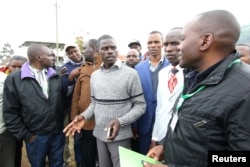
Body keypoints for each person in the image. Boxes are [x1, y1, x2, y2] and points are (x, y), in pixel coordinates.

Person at [145, 10, 250, 167]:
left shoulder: (244, 90)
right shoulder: (193, 76)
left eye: (182, 39)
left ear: (205, 41)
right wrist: (165, 145)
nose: (176, 48)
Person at [64, 34, 146, 167]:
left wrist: (121, 121)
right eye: (105, 48)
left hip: (121, 136)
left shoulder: (130, 74)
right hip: (99, 135)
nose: (110, 51)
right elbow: (94, 103)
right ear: (98, 51)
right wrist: (84, 116)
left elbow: (140, 105)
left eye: (113, 47)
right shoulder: (95, 76)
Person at [3, 44, 66, 167]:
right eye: (49, 55)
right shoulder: (14, 79)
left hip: (57, 133)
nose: (53, 58)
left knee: (58, 164)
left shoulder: (55, 75)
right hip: (36, 136)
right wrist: (27, 135)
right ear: (39, 57)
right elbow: (10, 112)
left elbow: (61, 101)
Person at [134, 30, 169, 155]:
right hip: (144, 123)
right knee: (144, 157)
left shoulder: (172, 67)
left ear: (163, 44)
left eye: (156, 42)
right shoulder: (138, 68)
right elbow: (134, 98)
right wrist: (134, 126)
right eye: (150, 42)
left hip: (165, 126)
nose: (153, 45)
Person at [71, 39, 102, 167]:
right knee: (87, 157)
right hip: (86, 123)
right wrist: (74, 118)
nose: (83, 51)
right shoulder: (82, 69)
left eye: (85, 48)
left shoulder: (107, 66)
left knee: (103, 158)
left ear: (94, 48)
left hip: (103, 123)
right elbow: (76, 96)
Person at [151, 27, 184, 148]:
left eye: (174, 43)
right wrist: (155, 137)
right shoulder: (163, 73)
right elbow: (160, 109)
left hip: (182, 140)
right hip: (161, 137)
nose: (168, 49)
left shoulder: (194, 74)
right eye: (166, 44)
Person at [0, 55, 27, 167]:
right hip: (5, 126)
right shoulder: (3, 79)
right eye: (14, 66)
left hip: (17, 126)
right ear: (8, 67)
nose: (16, 69)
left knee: (13, 155)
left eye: (20, 67)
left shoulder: (30, 80)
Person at [61, 44, 84, 166]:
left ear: (79, 50)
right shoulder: (65, 68)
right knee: (75, 136)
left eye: (75, 51)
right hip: (71, 107)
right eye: (70, 53)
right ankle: (74, 161)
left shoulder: (90, 62)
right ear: (67, 55)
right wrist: (70, 78)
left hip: (89, 106)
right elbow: (64, 92)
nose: (74, 54)